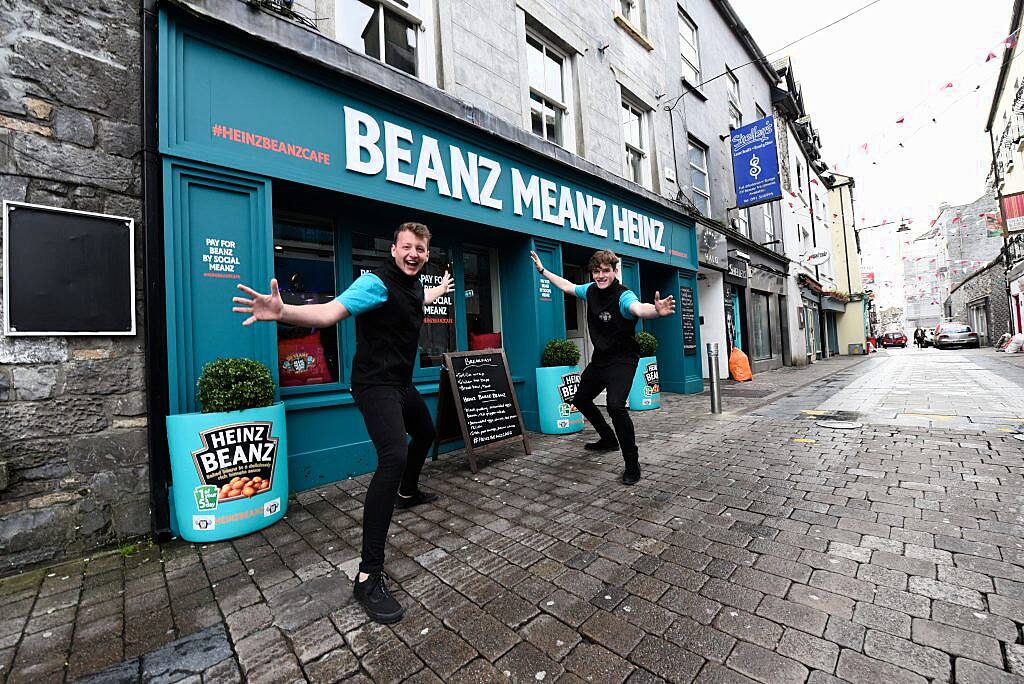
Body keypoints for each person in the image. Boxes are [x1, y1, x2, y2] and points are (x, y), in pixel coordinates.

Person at [232, 222, 453, 624]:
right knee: (393, 456)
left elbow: (418, 297)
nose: (413, 254)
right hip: (374, 384)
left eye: (419, 249)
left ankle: (406, 492)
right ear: (394, 249)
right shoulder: (375, 283)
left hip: (401, 382)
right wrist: (283, 311)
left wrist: (438, 291)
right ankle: (368, 575)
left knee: (425, 432)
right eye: (406, 247)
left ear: (425, 254)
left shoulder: (415, 285)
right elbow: (330, 313)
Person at [530, 249, 676, 485]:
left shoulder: (622, 295)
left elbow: (637, 308)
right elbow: (568, 286)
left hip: (623, 359)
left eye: (605, 271)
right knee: (580, 399)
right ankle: (608, 438)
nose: (600, 276)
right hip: (601, 359)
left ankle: (632, 463)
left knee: (616, 406)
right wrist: (543, 270)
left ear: (615, 271)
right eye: (596, 272)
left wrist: (655, 311)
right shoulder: (590, 291)